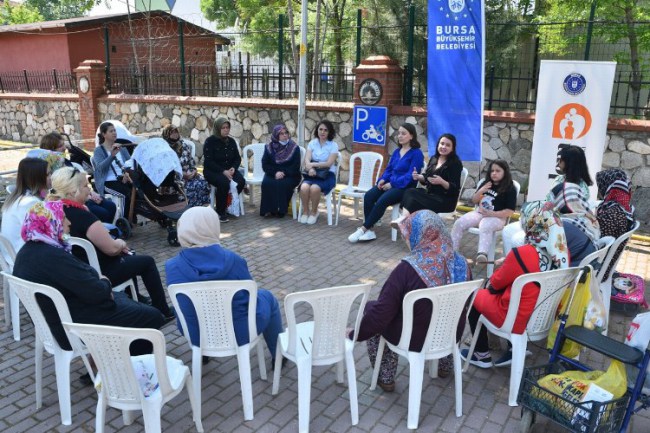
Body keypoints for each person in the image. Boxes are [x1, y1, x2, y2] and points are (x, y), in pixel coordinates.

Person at [11, 200, 164, 359]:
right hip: (72, 328)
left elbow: (84, 281)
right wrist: (104, 282)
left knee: (125, 300)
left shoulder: (27, 252)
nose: (69, 223)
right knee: (152, 317)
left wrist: (100, 283)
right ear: (51, 223)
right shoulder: (52, 256)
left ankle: (109, 360)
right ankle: (125, 366)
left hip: (57, 323)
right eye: (63, 218)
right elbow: (97, 292)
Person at [349, 211, 471, 390]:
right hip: (450, 335)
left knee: (373, 309)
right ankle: (446, 365)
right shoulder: (462, 263)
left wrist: (354, 334)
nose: (406, 239)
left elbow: (381, 314)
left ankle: (386, 376)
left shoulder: (407, 269)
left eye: (407, 234)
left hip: (415, 338)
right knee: (448, 312)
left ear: (420, 236)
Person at [49, 166, 174, 320]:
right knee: (146, 262)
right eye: (85, 186)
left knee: (130, 257)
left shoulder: (53, 212)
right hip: (98, 272)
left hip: (78, 268)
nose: (89, 189)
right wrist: (121, 243)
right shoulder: (82, 215)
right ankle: (163, 310)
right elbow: (111, 249)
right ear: (72, 191)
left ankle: (136, 299)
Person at [165, 206, 282, 361]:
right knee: (266, 296)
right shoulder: (235, 261)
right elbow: (249, 299)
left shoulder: (171, 266)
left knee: (188, 305)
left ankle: (203, 354)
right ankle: (279, 355)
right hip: (241, 333)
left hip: (195, 334)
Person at [462, 203, 569, 368]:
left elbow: (495, 285)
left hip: (517, 320)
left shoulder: (523, 253)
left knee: (474, 294)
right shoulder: (563, 253)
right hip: (544, 319)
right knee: (523, 292)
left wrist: (507, 265)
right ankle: (514, 348)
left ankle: (481, 354)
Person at [502, 145, 599, 257]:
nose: (558, 163)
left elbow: (565, 215)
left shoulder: (581, 188)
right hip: (545, 218)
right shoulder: (560, 179)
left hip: (558, 228)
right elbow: (548, 202)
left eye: (561, 160)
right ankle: (510, 263)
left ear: (568, 162)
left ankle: (521, 263)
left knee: (516, 240)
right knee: (507, 231)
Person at [348, 123, 424, 242]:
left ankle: (363, 229)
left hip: (404, 188)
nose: (400, 136)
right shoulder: (397, 151)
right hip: (390, 183)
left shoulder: (416, 153)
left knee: (382, 200)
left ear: (411, 136)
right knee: (369, 196)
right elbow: (389, 170)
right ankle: (370, 231)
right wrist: (382, 180)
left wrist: (392, 184)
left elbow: (410, 176)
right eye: (399, 133)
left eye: (403, 133)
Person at [40, 131, 117, 224]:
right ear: (50, 150)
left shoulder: (67, 162)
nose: (65, 148)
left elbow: (82, 182)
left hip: (83, 195)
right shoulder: (49, 170)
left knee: (111, 206)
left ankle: (105, 229)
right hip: (70, 201)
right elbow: (58, 192)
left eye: (64, 144)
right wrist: (87, 197)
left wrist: (91, 193)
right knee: (102, 213)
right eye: (60, 146)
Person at [450, 160, 517, 262]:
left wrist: (493, 213)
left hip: (497, 218)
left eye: (498, 171)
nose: (494, 173)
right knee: (459, 223)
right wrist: (481, 191)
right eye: (492, 171)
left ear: (505, 172)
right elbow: (474, 200)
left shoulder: (510, 188)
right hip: (479, 213)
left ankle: (482, 254)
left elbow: (510, 211)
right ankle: (452, 251)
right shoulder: (486, 183)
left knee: (485, 224)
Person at [390, 132, 463, 226]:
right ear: (438, 145)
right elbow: (427, 178)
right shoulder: (434, 158)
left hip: (445, 200)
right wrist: (418, 177)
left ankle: (404, 221)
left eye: (448, 145)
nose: (443, 147)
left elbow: (455, 188)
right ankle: (405, 220)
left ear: (452, 148)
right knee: (410, 191)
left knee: (414, 200)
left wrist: (442, 182)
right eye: (442, 144)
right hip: (431, 194)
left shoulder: (455, 163)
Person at [1, 158, 49, 253]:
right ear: (37, 177)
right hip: (22, 256)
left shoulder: (17, 198)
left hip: (12, 254)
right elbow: (43, 234)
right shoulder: (30, 203)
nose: (52, 177)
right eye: (48, 174)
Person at [203, 117, 245, 223]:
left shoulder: (231, 141)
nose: (226, 130)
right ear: (218, 128)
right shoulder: (210, 141)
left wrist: (233, 168)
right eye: (223, 128)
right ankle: (220, 211)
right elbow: (209, 162)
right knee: (224, 182)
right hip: (213, 171)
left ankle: (229, 204)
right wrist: (223, 171)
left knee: (241, 181)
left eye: (227, 127)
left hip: (229, 170)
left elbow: (237, 158)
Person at [595, 169, 636, 280]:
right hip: (608, 265)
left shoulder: (611, 213)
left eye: (600, 186)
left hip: (598, 269)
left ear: (608, 187)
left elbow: (598, 244)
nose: (599, 190)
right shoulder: (626, 208)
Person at [298, 120, 339, 225]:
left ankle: (314, 212)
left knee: (315, 188)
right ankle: (305, 211)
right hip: (312, 173)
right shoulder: (312, 143)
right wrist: (310, 168)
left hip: (327, 175)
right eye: (320, 129)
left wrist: (313, 165)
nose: (322, 132)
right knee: (304, 187)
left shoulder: (333, 145)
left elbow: (328, 163)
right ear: (317, 130)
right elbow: (307, 160)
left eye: (325, 130)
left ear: (329, 132)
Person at [92, 121, 135, 221]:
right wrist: (112, 155)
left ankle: (132, 217)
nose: (114, 133)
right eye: (111, 131)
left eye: (115, 130)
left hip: (123, 178)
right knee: (124, 195)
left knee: (137, 191)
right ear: (104, 134)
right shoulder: (99, 150)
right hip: (108, 181)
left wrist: (126, 173)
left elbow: (129, 162)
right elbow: (100, 168)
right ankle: (123, 221)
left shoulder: (121, 147)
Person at [161, 125, 211, 207]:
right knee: (190, 188)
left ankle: (199, 208)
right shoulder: (164, 149)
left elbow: (192, 162)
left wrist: (193, 172)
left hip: (189, 175)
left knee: (203, 182)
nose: (175, 134)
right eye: (172, 133)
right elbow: (167, 170)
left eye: (176, 132)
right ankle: (187, 210)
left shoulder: (183, 145)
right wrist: (183, 175)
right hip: (174, 179)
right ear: (167, 134)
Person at [259, 124, 301, 218]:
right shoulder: (269, 147)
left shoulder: (294, 148)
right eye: (281, 134)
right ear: (276, 135)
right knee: (267, 183)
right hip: (273, 172)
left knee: (282, 184)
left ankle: (281, 210)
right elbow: (265, 164)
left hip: (290, 174)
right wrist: (275, 173)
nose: (285, 135)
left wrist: (284, 173)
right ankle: (269, 209)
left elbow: (295, 166)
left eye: (286, 133)